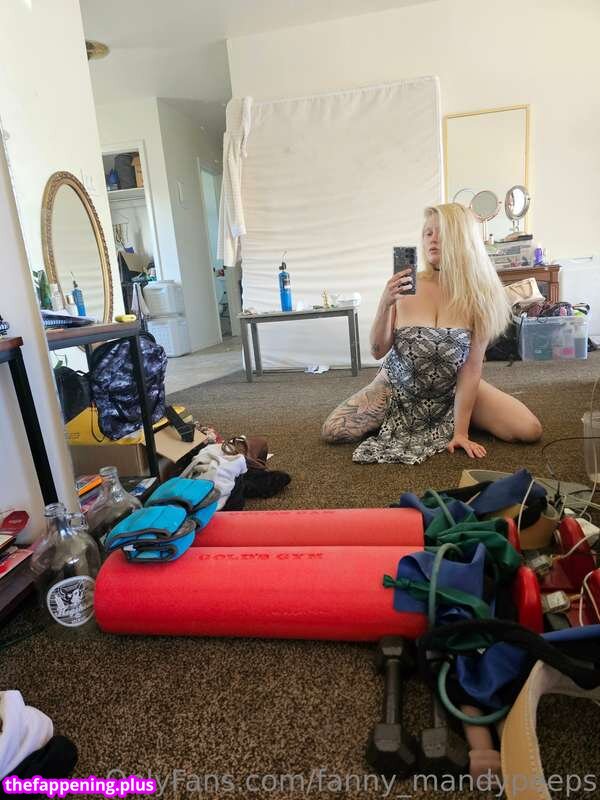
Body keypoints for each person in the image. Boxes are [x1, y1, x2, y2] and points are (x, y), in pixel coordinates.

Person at [321, 203, 542, 464]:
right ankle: (416, 416)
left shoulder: (481, 295)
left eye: (441, 232)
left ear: (462, 237)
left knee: (529, 429)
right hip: (398, 384)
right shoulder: (406, 285)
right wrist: (385, 303)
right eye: (427, 233)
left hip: (452, 386)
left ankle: (456, 415)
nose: (432, 239)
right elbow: (377, 351)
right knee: (335, 430)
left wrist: (460, 433)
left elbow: (472, 368)